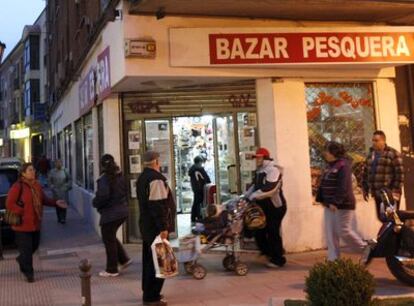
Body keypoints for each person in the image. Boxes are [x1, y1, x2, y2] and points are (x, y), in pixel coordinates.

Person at [6, 163, 67, 283]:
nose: (33, 171)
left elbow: (43, 200)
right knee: (27, 250)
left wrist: (56, 203)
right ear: (23, 173)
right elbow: (9, 203)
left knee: (34, 246)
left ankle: (22, 260)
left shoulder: (37, 186)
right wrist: (22, 211)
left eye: (33, 169)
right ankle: (29, 274)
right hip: (22, 225)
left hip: (35, 223)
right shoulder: (18, 186)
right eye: (29, 170)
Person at [316, 142, 368, 261]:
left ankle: (364, 247)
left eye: (327, 151)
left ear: (333, 153)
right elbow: (324, 183)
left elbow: (343, 186)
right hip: (329, 204)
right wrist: (322, 199)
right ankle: (333, 259)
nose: (325, 153)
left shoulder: (343, 165)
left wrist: (336, 201)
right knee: (331, 233)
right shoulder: (330, 165)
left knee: (343, 230)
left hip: (342, 204)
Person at [136, 150, 176, 306]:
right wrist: (163, 227)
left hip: (147, 226)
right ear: (156, 162)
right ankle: (152, 296)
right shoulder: (155, 179)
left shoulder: (142, 177)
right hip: (155, 229)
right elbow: (157, 205)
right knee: (158, 262)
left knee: (149, 260)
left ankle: (149, 292)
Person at [244, 147, 287, 268]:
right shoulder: (259, 171)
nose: (256, 160)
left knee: (273, 231)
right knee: (259, 229)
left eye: (258, 158)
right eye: (256, 158)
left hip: (275, 207)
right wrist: (245, 196)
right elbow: (254, 186)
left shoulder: (273, 171)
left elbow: (270, 188)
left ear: (264, 158)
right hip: (263, 206)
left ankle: (278, 259)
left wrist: (253, 196)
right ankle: (268, 252)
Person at [92, 154, 131, 277]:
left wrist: (95, 202)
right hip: (122, 211)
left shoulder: (104, 179)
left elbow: (103, 196)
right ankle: (124, 259)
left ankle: (112, 269)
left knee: (108, 239)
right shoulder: (120, 176)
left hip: (111, 214)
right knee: (111, 236)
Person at [362, 130, 404, 221]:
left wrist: (395, 191)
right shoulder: (371, 155)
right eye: (373, 140)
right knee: (382, 217)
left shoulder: (393, 154)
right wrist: (365, 189)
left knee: (392, 218)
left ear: (383, 141)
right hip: (377, 193)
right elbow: (365, 173)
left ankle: (401, 233)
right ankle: (394, 234)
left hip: (389, 194)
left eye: (376, 140)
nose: (374, 142)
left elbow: (400, 174)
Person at [188, 156, 211, 223]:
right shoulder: (199, 168)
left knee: (196, 202)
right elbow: (206, 178)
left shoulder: (192, 169)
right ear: (199, 162)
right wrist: (209, 182)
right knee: (198, 202)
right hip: (200, 187)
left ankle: (193, 216)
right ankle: (198, 216)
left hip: (195, 187)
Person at [48, 159, 72, 224]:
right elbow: (49, 181)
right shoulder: (52, 171)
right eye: (57, 163)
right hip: (56, 191)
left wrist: (67, 186)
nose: (59, 164)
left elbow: (69, 179)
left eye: (60, 163)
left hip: (63, 190)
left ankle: (63, 218)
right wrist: (52, 187)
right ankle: (59, 217)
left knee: (64, 204)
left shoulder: (65, 170)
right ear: (55, 164)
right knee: (57, 205)